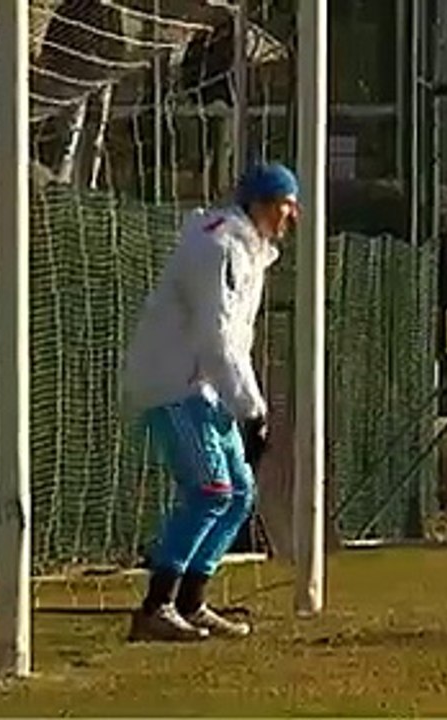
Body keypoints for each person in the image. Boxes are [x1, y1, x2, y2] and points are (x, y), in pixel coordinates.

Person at [121, 162, 300, 642]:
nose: (292, 217)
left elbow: (234, 343)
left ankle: (191, 601)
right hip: (173, 383)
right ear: (261, 205)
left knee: (240, 493)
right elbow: (215, 336)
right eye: (286, 204)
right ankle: (155, 605)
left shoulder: (250, 252)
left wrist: (248, 404)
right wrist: (250, 407)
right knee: (211, 491)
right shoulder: (218, 248)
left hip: (206, 388)